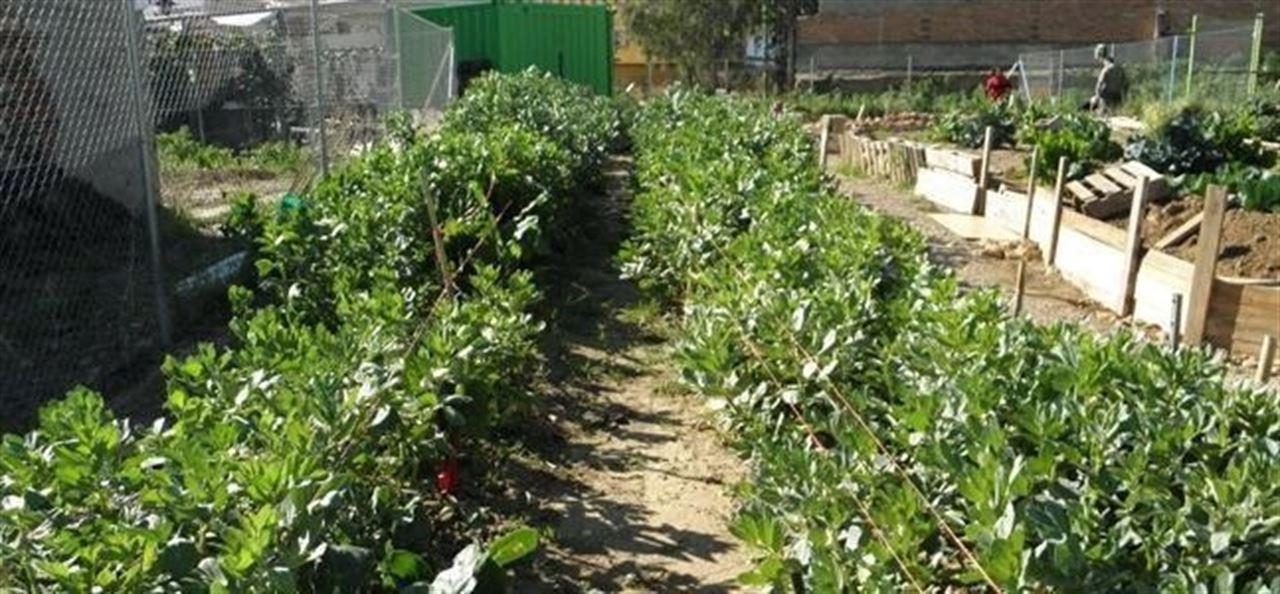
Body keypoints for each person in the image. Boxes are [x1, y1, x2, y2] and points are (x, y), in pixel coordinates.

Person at [1086, 44, 1128, 113]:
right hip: (1118, 99)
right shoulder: (1120, 69)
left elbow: (1098, 87)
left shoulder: (1106, 70)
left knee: (1086, 107)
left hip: (1106, 100)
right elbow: (1126, 84)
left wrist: (1097, 98)